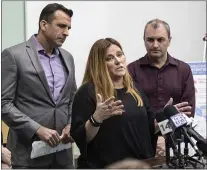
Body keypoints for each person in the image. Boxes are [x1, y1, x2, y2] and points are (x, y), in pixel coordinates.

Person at [70, 38, 191, 168]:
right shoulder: (88, 92)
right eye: (109, 58)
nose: (118, 61)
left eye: (119, 54)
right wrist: (96, 119)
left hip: (140, 165)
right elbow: (81, 139)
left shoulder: (135, 89)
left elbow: (151, 129)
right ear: (98, 63)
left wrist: (167, 118)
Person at [1, 3, 76, 169]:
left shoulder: (68, 58)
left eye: (68, 28)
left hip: (63, 157)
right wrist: (37, 129)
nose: (66, 33)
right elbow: (3, 104)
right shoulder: (14, 55)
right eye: (61, 26)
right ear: (44, 25)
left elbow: (72, 99)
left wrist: (71, 124)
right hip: (27, 156)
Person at [128, 19, 195, 156]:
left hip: (176, 146)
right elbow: (130, 114)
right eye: (150, 40)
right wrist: (155, 134)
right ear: (144, 40)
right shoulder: (131, 71)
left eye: (160, 39)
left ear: (169, 40)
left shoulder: (183, 70)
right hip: (140, 145)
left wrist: (165, 134)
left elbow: (188, 113)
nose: (155, 45)